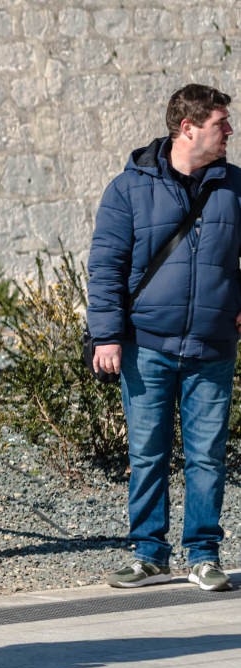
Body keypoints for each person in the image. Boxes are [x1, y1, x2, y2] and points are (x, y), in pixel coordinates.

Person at [87, 84, 240, 592]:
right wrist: (106, 336)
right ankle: (150, 554)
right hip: (145, 346)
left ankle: (203, 554)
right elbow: (106, 268)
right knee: (148, 454)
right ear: (188, 128)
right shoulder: (127, 189)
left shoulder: (236, 188)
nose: (230, 133)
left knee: (207, 455)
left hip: (212, 347)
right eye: (222, 124)